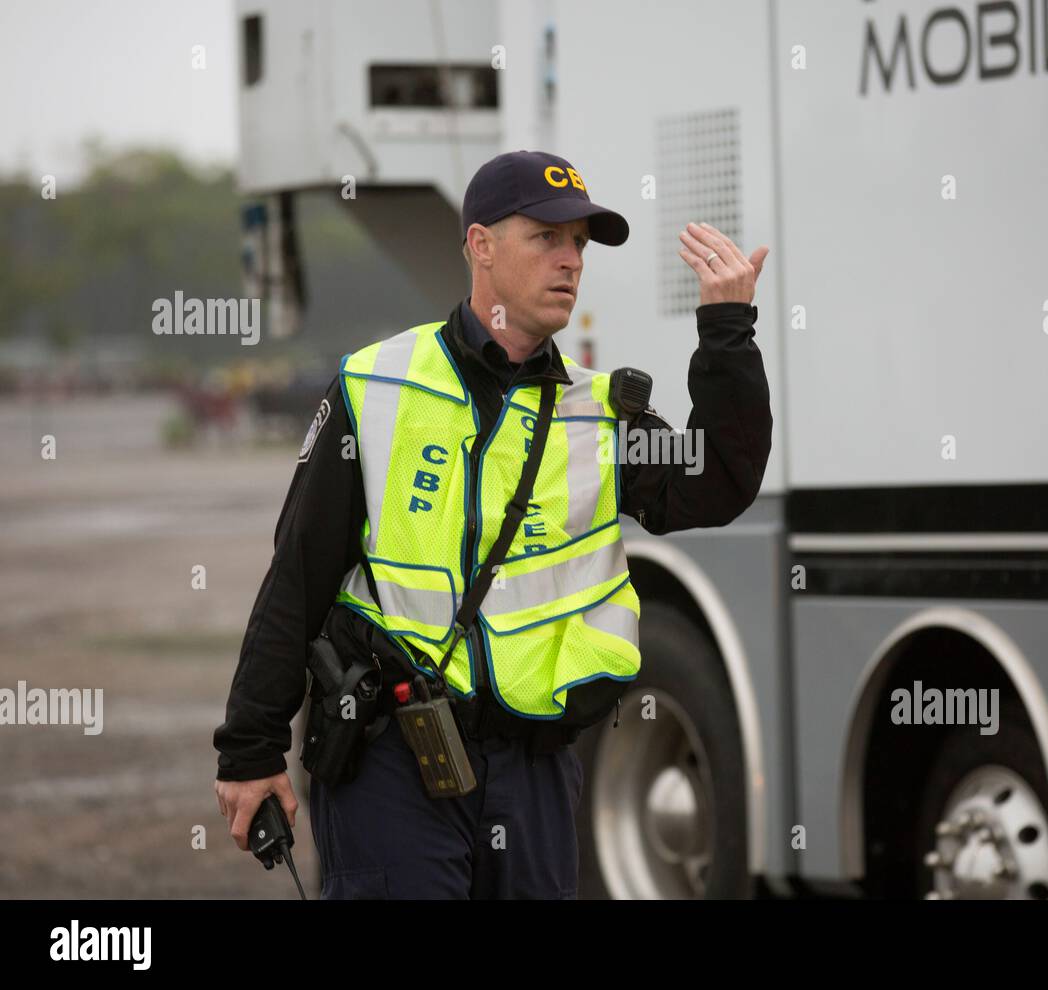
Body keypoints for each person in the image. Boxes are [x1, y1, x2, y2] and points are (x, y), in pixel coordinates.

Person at [213, 149, 772, 898]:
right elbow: (298, 576)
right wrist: (250, 750)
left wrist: (728, 329)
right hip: (391, 760)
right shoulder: (376, 386)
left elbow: (718, 485)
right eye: (547, 237)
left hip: (534, 772)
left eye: (580, 243)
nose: (571, 260)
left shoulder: (600, 411)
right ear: (480, 246)